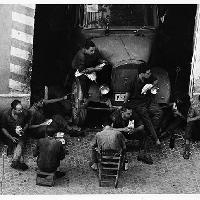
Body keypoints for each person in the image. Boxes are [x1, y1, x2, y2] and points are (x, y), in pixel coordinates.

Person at [124, 63, 162, 147]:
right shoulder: (133, 81)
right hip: (136, 103)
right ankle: (155, 138)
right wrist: (124, 104)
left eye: (149, 73)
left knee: (159, 112)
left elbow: (155, 80)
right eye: (148, 73)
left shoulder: (147, 77)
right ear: (141, 73)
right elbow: (127, 94)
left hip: (146, 101)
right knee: (146, 117)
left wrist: (151, 85)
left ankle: (150, 132)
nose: (150, 74)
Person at [0, 100, 29, 170]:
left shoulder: (24, 113)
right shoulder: (6, 114)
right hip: (9, 135)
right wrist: (11, 137)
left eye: (21, 109)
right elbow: (3, 128)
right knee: (13, 144)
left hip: (20, 133)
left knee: (20, 142)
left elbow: (27, 124)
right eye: (19, 110)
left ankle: (15, 161)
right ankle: (20, 161)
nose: (21, 111)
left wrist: (23, 130)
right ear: (14, 109)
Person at [183, 95, 200, 159]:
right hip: (196, 124)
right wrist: (198, 117)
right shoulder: (194, 106)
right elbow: (189, 119)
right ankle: (187, 149)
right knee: (190, 125)